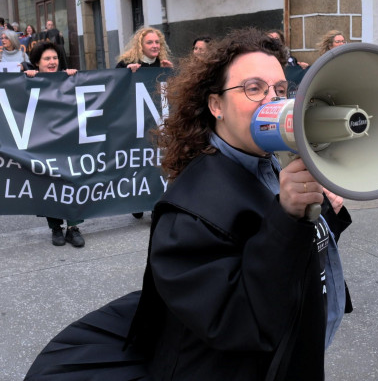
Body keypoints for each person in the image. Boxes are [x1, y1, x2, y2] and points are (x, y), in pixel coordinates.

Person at [26, 29, 353, 380]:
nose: (272, 101)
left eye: (279, 90)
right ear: (216, 106)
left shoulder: (271, 163)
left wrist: (321, 211)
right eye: (253, 88)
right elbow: (239, 318)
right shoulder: (188, 214)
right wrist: (288, 215)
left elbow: (292, 254)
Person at [22, 42, 85, 248]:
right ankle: (55, 227)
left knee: (72, 180)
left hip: (68, 140)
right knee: (49, 183)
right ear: (37, 63)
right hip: (43, 143)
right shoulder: (28, 80)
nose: (52, 62)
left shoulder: (69, 78)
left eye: (55, 58)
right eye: (47, 59)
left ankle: (73, 227)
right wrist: (27, 79)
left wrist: (73, 77)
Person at [116, 26, 174, 219]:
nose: (154, 45)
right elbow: (113, 87)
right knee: (137, 161)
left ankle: (153, 202)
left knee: (155, 163)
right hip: (134, 122)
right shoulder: (127, 63)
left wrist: (170, 73)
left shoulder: (162, 65)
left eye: (157, 42)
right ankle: (136, 200)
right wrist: (126, 74)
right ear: (140, 45)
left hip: (156, 124)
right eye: (150, 42)